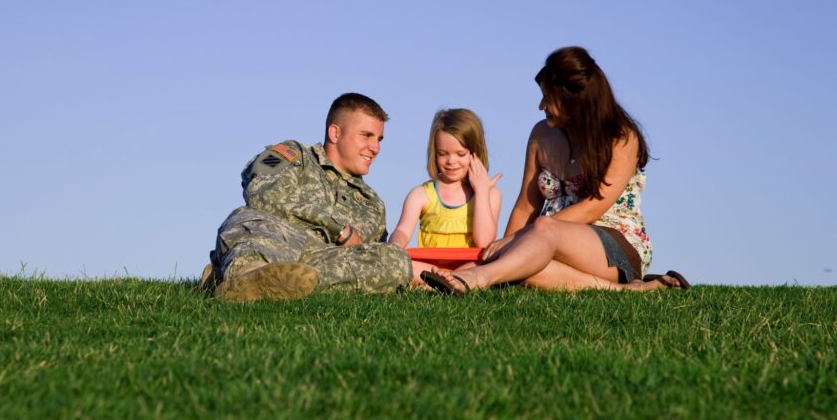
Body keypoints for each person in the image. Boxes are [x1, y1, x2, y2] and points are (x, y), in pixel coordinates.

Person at [422, 46, 689, 293]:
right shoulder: (541, 134)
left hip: (613, 246)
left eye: (548, 98)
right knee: (522, 270)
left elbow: (592, 209)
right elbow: (526, 207)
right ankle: (625, 292)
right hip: (545, 241)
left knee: (541, 231)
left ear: (575, 100)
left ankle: (476, 280)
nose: (541, 106)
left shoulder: (621, 138)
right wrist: (504, 249)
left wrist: (521, 238)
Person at [205, 92, 438, 302]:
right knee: (252, 221)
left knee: (393, 258)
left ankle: (248, 281)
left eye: (379, 139)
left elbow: (369, 256)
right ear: (335, 132)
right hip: (275, 240)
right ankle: (249, 276)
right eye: (366, 136)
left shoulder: (372, 204)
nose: (375, 148)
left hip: (320, 263)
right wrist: (340, 229)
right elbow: (261, 192)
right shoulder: (295, 155)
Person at [389, 108, 502, 249]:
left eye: (460, 154)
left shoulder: (491, 195)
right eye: (442, 153)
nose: (451, 161)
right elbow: (402, 231)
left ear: (476, 153)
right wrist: (396, 245)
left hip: (470, 268)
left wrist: (481, 192)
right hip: (428, 268)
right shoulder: (421, 194)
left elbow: (484, 243)